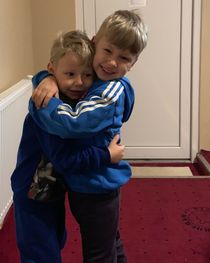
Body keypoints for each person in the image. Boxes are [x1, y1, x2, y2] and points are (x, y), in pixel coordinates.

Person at [29, 10, 148, 263]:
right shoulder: (95, 80)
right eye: (108, 51)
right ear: (94, 44)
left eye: (124, 57)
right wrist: (47, 78)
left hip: (98, 187)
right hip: (85, 183)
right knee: (109, 242)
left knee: (99, 254)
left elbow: (72, 124)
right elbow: (63, 72)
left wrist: (40, 103)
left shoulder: (112, 89)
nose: (112, 62)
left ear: (133, 63)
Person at [11, 30, 125, 263]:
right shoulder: (47, 108)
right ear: (53, 69)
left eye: (87, 74)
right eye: (70, 74)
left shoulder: (73, 100)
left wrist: (47, 77)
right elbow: (66, 159)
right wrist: (105, 155)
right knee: (40, 252)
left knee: (54, 241)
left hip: (50, 189)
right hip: (33, 191)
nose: (79, 82)